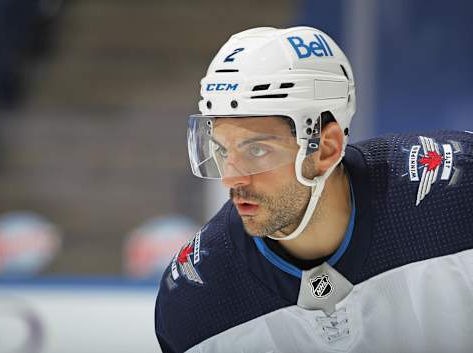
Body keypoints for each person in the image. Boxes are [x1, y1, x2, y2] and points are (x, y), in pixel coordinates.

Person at [154, 26, 473, 353]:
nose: (231, 180)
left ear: (326, 149)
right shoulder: (196, 301)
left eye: (257, 151)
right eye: (223, 151)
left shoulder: (459, 195)